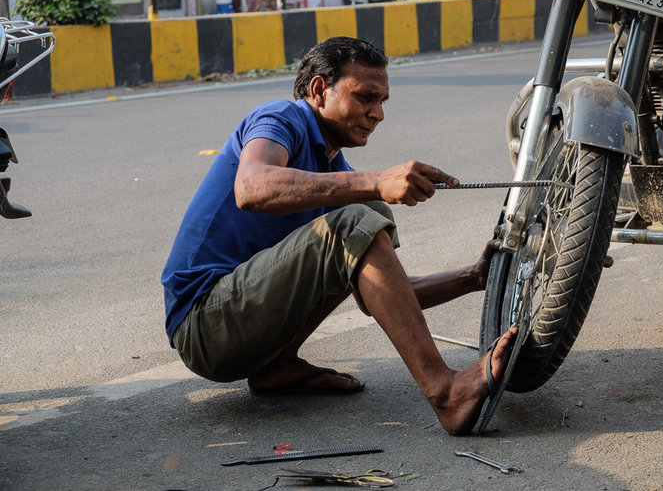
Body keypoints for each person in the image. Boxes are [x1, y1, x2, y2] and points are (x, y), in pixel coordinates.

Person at [161, 36, 516, 436]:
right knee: (356, 217)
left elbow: (382, 296)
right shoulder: (280, 118)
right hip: (204, 326)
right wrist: (375, 179)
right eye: (366, 97)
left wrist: (473, 278)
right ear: (318, 89)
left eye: (383, 101)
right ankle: (445, 391)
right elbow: (252, 187)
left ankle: (277, 366)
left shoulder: (332, 165)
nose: (378, 113)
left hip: (244, 328)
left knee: (364, 213)